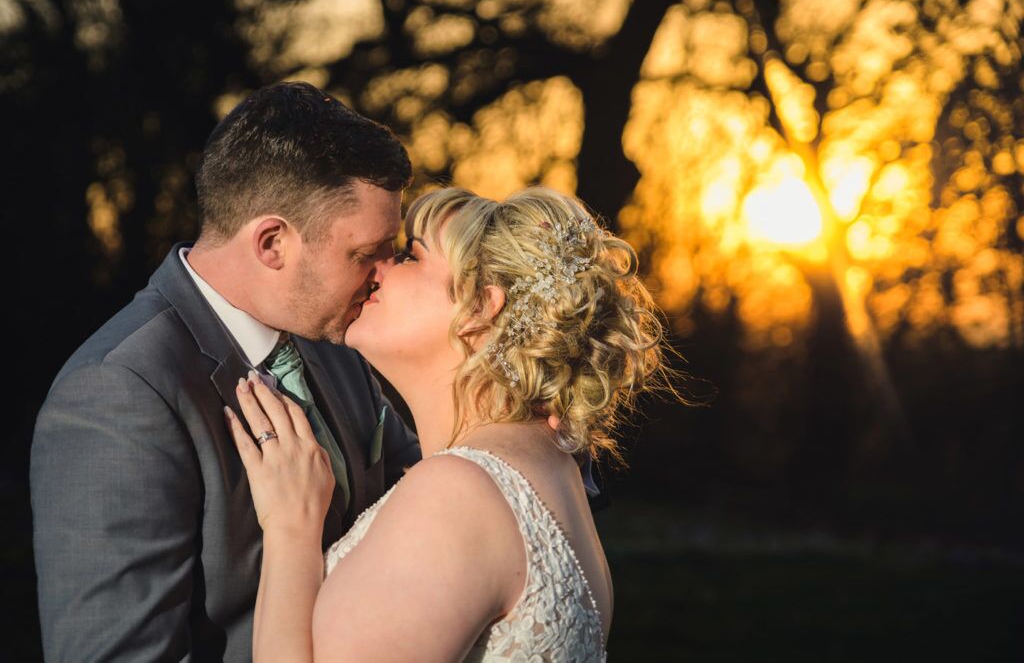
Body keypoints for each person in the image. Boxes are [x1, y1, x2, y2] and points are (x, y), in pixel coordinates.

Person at [30, 82, 423, 661]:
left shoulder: (336, 334)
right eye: (367, 253)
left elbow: (427, 492)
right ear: (271, 242)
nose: (385, 274)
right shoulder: (118, 394)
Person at [224, 186, 673, 661]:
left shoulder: (458, 493)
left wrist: (291, 531)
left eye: (410, 257)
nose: (378, 268)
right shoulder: (554, 469)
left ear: (480, 308)